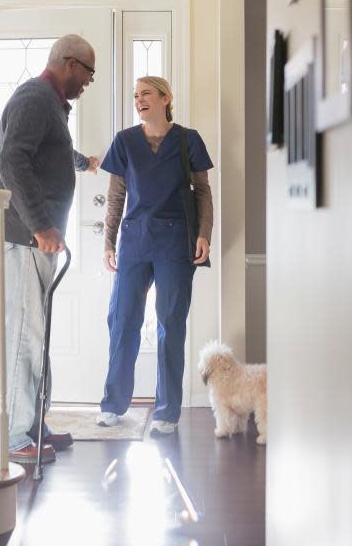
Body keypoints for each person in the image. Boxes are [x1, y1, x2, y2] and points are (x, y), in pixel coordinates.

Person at [0, 34, 100, 464]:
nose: (88, 82)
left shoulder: (48, 106)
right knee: (25, 334)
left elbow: (48, 153)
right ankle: (17, 437)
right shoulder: (35, 99)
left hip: (31, 235)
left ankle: (34, 423)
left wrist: (83, 162)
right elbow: (12, 160)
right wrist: (41, 226)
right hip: (23, 235)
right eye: (88, 73)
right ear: (70, 65)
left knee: (38, 332)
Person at [95, 76, 214, 436]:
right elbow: (116, 196)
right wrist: (108, 241)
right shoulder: (125, 141)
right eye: (135, 95)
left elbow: (203, 192)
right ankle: (113, 405)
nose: (139, 100)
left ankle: (167, 411)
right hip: (134, 241)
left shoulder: (187, 139)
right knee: (122, 321)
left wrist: (204, 235)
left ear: (166, 98)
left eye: (145, 93)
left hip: (176, 242)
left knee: (170, 323)